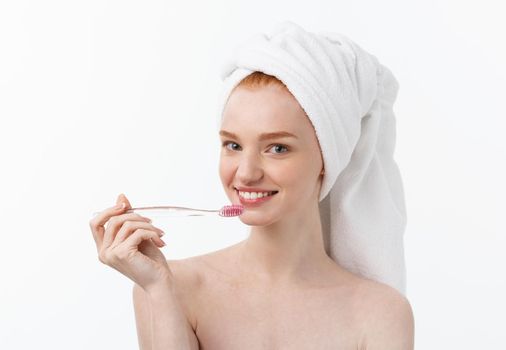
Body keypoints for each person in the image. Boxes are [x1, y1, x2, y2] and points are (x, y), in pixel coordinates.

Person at [89, 69, 414, 349]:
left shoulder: (380, 312)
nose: (245, 173)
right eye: (233, 145)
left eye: (277, 148)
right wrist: (159, 291)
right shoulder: (171, 286)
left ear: (327, 158)